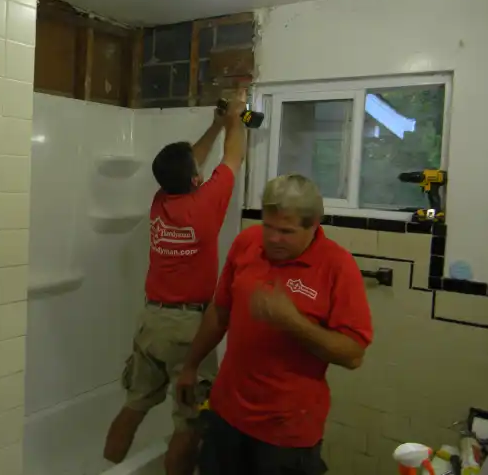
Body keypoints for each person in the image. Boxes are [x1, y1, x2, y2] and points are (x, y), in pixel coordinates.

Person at [177, 174, 374, 475]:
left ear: (314, 225)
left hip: (286, 433)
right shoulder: (247, 243)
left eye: (286, 231)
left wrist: (293, 323)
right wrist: (190, 365)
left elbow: (353, 355)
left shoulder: (337, 266)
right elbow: (219, 313)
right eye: (268, 226)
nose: (272, 238)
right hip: (226, 414)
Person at [103, 91, 247, 475]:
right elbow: (233, 157)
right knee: (190, 422)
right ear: (196, 179)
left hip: (151, 322)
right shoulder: (205, 205)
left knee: (134, 405)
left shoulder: (161, 201)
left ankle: (108, 468)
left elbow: (190, 164)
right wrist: (237, 117)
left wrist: (217, 124)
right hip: (188, 328)